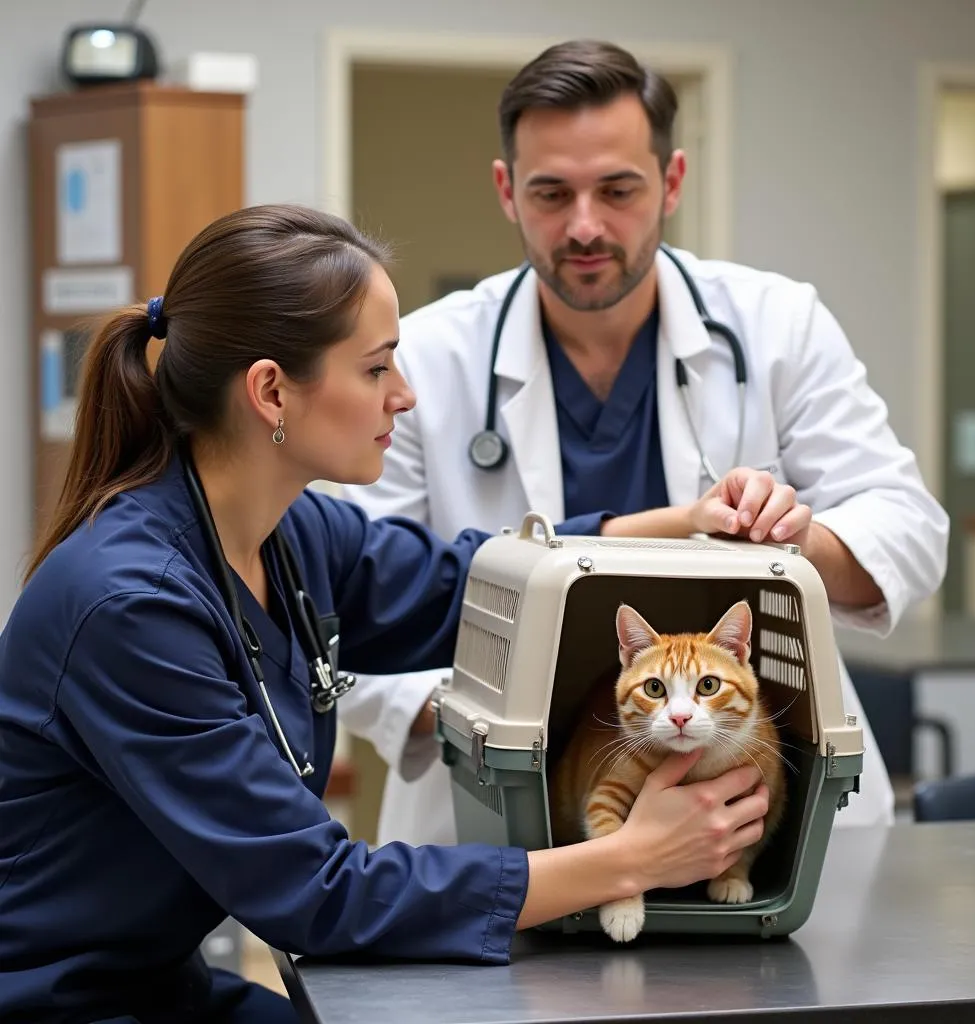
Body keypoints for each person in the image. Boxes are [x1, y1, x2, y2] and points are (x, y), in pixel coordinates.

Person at [0, 204, 781, 1024]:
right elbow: (317, 893)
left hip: (158, 985)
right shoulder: (132, 606)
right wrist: (630, 859)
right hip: (55, 1003)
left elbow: (468, 588)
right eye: (377, 369)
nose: (404, 397)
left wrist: (682, 521)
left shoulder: (289, 534)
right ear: (271, 391)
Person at [339, 39, 949, 847]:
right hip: (504, 803)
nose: (585, 225)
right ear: (506, 192)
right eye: (551, 192)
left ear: (671, 182)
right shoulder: (427, 356)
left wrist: (800, 538)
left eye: (617, 189)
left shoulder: (776, 325)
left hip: (757, 796)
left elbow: (909, 526)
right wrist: (505, 722)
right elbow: (346, 594)